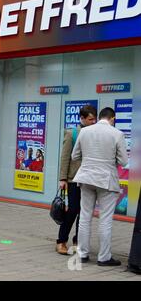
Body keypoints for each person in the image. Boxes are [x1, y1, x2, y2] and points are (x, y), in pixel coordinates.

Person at [72, 107, 128, 266]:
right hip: (106, 180)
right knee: (105, 219)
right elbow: (124, 161)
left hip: (86, 177)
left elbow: (74, 156)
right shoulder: (117, 133)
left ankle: (82, 254)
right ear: (112, 118)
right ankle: (104, 257)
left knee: (84, 216)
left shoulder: (84, 132)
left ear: (100, 117)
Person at [56, 105, 97, 255]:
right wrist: (62, 178)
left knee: (84, 212)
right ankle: (61, 240)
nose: (93, 122)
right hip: (73, 179)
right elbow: (65, 156)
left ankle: (78, 241)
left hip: (89, 178)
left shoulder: (95, 133)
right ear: (82, 119)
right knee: (72, 210)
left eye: (94, 119)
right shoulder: (72, 133)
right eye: (90, 119)